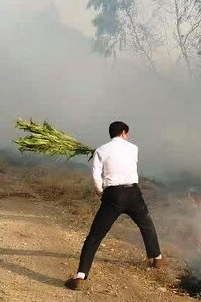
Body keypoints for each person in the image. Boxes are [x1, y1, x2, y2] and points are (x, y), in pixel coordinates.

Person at [65, 121, 163, 291]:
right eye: (127, 133)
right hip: (133, 193)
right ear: (124, 132)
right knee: (146, 224)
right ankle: (156, 257)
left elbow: (96, 175)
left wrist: (100, 191)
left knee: (95, 236)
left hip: (113, 196)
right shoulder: (134, 148)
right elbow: (126, 162)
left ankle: (80, 275)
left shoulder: (101, 150)